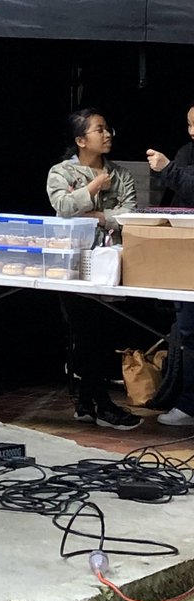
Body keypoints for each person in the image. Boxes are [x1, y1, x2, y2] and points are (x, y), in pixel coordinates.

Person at [45, 109, 141, 430]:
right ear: (81, 140)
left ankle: (87, 403)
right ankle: (102, 404)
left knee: (102, 332)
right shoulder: (61, 172)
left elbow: (129, 213)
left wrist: (97, 216)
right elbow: (63, 207)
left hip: (110, 264)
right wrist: (93, 187)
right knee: (85, 332)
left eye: (107, 128)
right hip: (73, 263)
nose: (107, 134)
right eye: (99, 129)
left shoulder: (121, 174)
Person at [146, 134, 194, 427]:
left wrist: (169, 168)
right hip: (186, 254)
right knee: (188, 331)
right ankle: (189, 405)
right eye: (190, 124)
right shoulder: (187, 152)